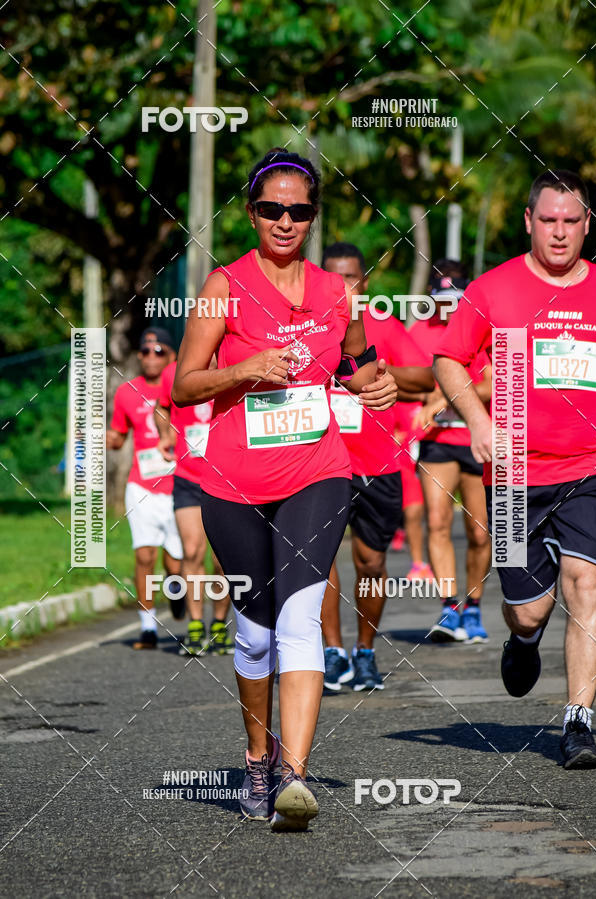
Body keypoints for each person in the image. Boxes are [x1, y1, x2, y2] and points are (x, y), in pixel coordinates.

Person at [172, 148, 398, 830]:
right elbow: (184, 383)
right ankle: (255, 756)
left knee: (301, 615)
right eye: (271, 208)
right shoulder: (225, 285)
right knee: (254, 633)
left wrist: (372, 382)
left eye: (298, 210)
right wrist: (245, 368)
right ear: (251, 212)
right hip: (233, 481)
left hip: (317, 472)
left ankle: (293, 777)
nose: (284, 220)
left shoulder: (337, 292)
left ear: (312, 218)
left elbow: (360, 361)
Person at [434, 170, 596, 768]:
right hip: (511, 476)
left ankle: (578, 724)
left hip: (590, 468)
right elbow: (448, 359)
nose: (560, 233)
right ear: (529, 221)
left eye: (572, 221)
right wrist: (478, 421)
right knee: (531, 606)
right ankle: (524, 637)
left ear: (587, 225)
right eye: (548, 220)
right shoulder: (493, 289)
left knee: (588, 584)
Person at [320, 242, 434, 692]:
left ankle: (365, 653)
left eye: (352, 278)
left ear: (365, 282)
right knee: (320, 560)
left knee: (370, 561)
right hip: (323, 461)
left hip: (377, 464)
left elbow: (425, 379)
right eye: (336, 278)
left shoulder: (383, 325)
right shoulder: (309, 329)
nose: (345, 287)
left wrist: (381, 374)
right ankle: (332, 653)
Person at [411, 262, 492, 644]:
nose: (449, 310)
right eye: (441, 302)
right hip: (438, 442)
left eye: (456, 302)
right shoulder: (419, 333)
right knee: (438, 522)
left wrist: (445, 395)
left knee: (479, 533)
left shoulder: (484, 330)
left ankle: (474, 608)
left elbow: (494, 384)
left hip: (478, 441)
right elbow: (409, 380)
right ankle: (449, 607)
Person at [107, 328, 183, 649]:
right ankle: (148, 628)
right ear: (139, 356)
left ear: (172, 357)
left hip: (179, 486)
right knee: (144, 557)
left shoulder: (182, 387)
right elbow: (118, 436)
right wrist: (105, 439)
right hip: (141, 487)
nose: (151, 357)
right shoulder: (126, 393)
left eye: (159, 351)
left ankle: (177, 590)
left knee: (175, 562)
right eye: (146, 351)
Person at [155, 361, 234, 655]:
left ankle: (218, 624)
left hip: (227, 476)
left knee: (223, 557)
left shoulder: (234, 362)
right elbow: (161, 406)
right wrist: (166, 434)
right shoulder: (173, 371)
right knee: (192, 551)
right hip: (187, 476)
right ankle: (196, 625)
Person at [390, 398, 435, 583]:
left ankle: (435, 563)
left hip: (433, 462)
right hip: (407, 465)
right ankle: (418, 564)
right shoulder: (398, 402)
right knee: (413, 512)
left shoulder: (435, 400)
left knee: (436, 517)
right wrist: (392, 436)